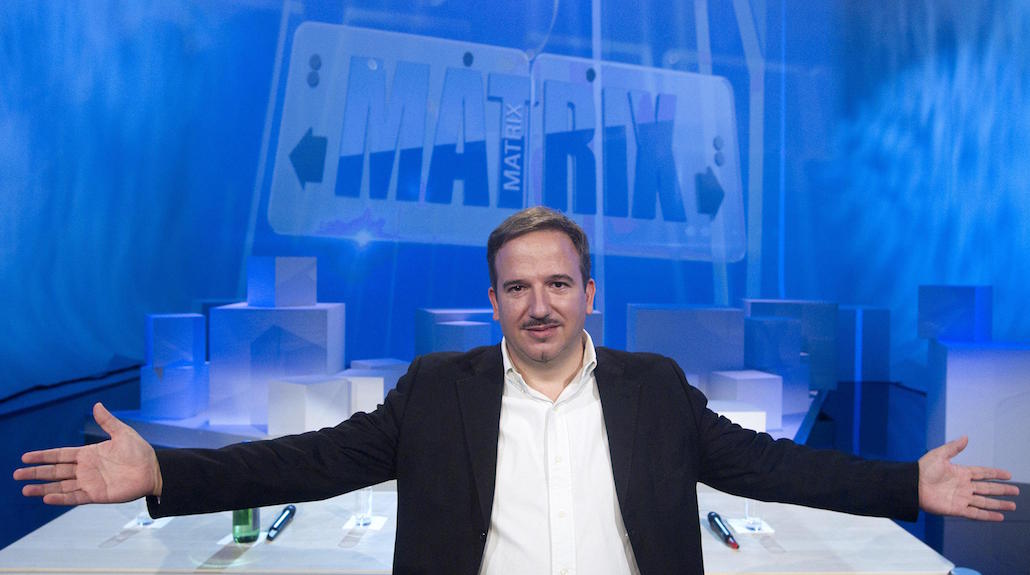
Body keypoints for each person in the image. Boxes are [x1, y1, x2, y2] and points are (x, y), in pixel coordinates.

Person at [15, 207, 1018, 575]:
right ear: (491, 300)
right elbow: (308, 460)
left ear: (589, 292)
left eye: (558, 283)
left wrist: (906, 484)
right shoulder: (435, 389)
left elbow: (772, 466)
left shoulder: (654, 388)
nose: (540, 304)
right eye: (517, 287)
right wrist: (164, 472)